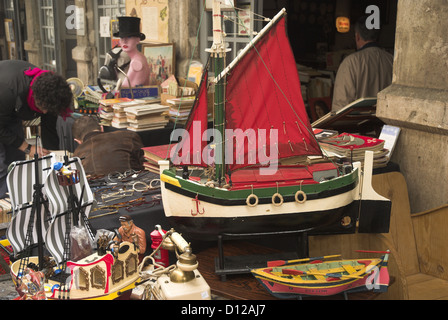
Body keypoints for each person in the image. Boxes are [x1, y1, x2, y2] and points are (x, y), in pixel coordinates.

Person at [0, 60, 73, 198]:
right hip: (4, 100)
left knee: (17, 162)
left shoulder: (51, 96)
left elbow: (49, 130)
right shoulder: (8, 90)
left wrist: (53, 158)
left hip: (9, 111)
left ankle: (17, 198)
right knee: (1, 167)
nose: (44, 112)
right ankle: (4, 207)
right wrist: (28, 147)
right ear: (35, 97)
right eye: (43, 108)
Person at [332, 15, 394, 112]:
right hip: (385, 124)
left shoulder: (350, 62)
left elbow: (341, 107)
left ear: (357, 36)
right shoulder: (391, 60)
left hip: (357, 125)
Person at [72, 115, 144, 176]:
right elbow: (145, 164)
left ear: (77, 141)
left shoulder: (77, 155)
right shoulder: (128, 136)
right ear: (102, 128)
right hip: (135, 185)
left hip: (98, 190)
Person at [114, 16, 150, 88]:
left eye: (129, 37)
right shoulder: (140, 57)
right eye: (122, 37)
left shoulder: (136, 62)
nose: (124, 41)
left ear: (137, 40)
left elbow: (126, 89)